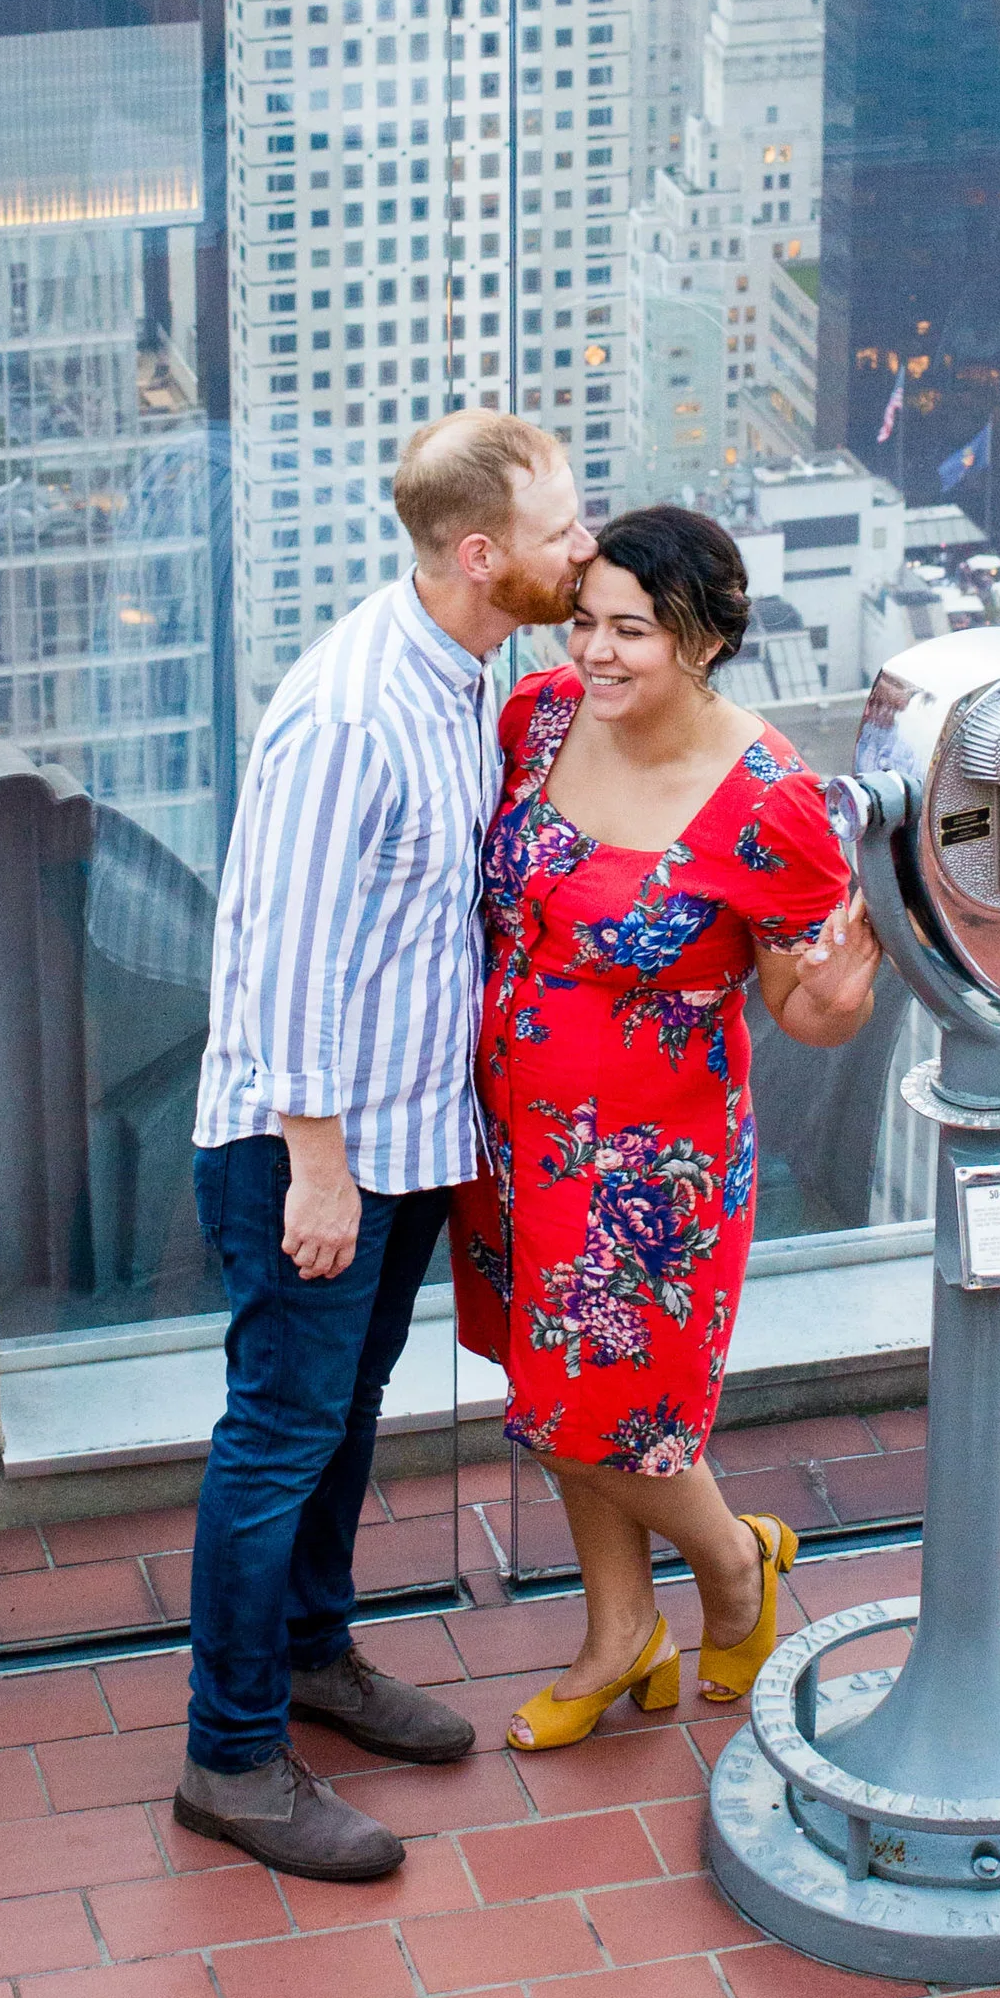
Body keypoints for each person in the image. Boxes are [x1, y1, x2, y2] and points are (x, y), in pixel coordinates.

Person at [179, 412, 596, 1880]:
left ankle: (312, 1657)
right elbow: (279, 959)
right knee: (280, 1434)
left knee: (345, 1414)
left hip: (411, 1139)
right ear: (482, 553)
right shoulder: (354, 708)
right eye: (562, 531)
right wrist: (316, 1167)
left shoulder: (465, 674)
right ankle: (229, 1758)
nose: (583, 547)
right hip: (316, 1147)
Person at [451, 505, 882, 1751]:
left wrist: (838, 996)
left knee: (616, 1417)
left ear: (700, 640)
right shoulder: (534, 722)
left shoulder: (773, 803)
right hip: (515, 1136)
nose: (592, 652)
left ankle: (736, 1567)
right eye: (584, 621)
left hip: (653, 1165)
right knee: (554, 1401)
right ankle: (620, 1633)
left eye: (629, 630)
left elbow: (811, 1010)